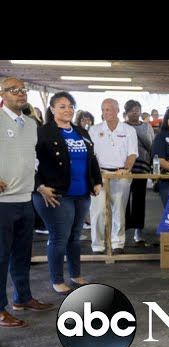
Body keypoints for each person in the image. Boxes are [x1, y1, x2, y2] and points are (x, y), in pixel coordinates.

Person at [34, 92, 103, 294]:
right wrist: (40, 186)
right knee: (59, 237)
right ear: (52, 109)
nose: (68, 110)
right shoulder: (42, 133)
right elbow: (29, 163)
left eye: (71, 106)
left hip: (81, 194)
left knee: (75, 236)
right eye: (62, 106)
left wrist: (97, 181)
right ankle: (57, 280)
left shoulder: (81, 132)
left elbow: (92, 159)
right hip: (55, 194)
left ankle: (75, 274)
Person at [0, 77, 55, 328]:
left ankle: (22, 298)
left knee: (22, 255)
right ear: (3, 94)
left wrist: (37, 183)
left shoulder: (32, 124)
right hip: (3, 202)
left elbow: (32, 158)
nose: (20, 94)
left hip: (25, 197)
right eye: (14, 90)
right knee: (1, 256)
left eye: (23, 90)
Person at [88, 99, 138, 255]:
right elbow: (90, 155)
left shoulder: (129, 130)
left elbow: (132, 154)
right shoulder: (94, 130)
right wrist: (95, 172)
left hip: (120, 174)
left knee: (119, 210)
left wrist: (126, 168)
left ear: (117, 110)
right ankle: (97, 245)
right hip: (100, 174)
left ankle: (118, 243)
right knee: (97, 211)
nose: (105, 112)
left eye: (108, 109)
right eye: (103, 109)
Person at [124, 100, 155, 244]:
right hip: (124, 167)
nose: (134, 112)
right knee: (123, 199)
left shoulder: (147, 126)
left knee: (139, 198)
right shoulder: (122, 126)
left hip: (142, 165)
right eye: (131, 110)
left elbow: (151, 145)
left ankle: (138, 230)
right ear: (126, 112)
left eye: (137, 109)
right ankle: (123, 229)